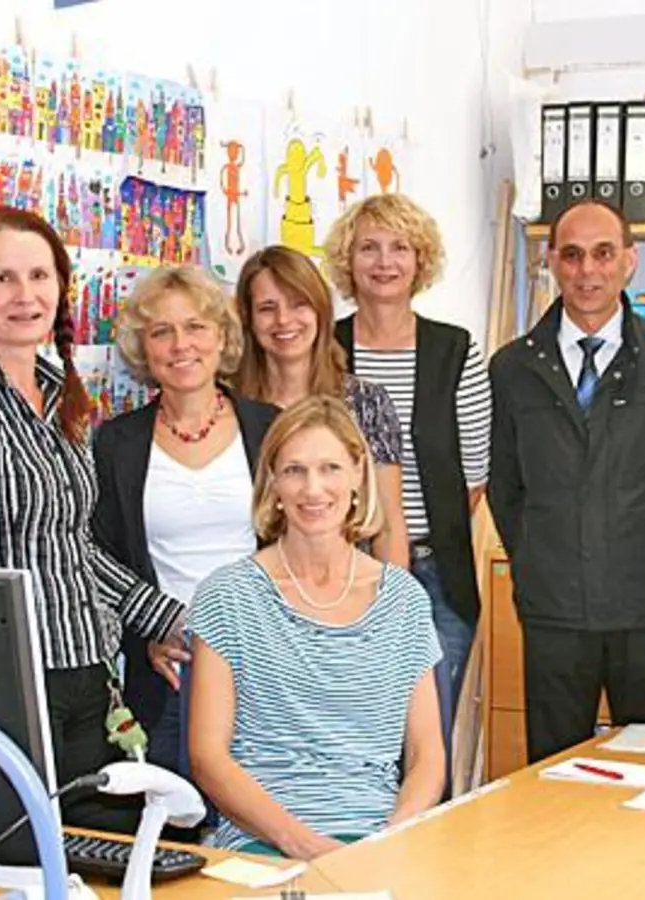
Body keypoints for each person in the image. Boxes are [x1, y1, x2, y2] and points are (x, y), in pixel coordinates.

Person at [0, 205, 184, 832]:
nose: (25, 296)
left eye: (39, 276)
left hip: (91, 675)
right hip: (15, 692)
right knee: (28, 869)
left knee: (101, 862)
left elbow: (72, 547)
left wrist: (169, 619)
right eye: (2, 279)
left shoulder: (64, 399)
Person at [187, 396, 445, 860]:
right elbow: (208, 758)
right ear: (273, 486)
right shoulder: (227, 596)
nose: (313, 489)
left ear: (356, 478)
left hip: (377, 839)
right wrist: (300, 843)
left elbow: (427, 756)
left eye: (330, 468)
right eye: (294, 471)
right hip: (262, 842)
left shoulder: (404, 601)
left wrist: (393, 836)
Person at [487, 199, 645, 764]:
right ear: (552, 260)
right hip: (556, 612)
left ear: (630, 260)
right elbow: (506, 487)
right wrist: (535, 562)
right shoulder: (513, 368)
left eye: (604, 254)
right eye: (572, 256)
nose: (588, 271)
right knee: (553, 778)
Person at [91, 265, 278, 784]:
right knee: (179, 834)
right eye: (161, 331)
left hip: (265, 667)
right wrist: (148, 635)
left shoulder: (271, 428)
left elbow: (303, 544)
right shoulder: (116, 444)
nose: (181, 345)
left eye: (196, 326)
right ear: (142, 349)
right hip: (168, 675)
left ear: (222, 337)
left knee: (260, 837)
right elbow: (103, 559)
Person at [324, 194, 490, 779]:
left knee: (429, 735)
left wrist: (412, 535)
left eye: (400, 247)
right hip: (338, 569)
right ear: (348, 261)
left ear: (421, 261)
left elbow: (475, 470)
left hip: (437, 573)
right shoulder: (325, 345)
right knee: (354, 727)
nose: (385, 261)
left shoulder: (454, 348)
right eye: (369, 247)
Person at [232, 244, 409, 566]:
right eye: (267, 308)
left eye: (299, 304)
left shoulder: (368, 403)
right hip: (254, 596)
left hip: (350, 594)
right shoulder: (228, 408)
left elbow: (389, 524)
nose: (284, 320)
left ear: (321, 311)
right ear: (248, 318)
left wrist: (394, 608)